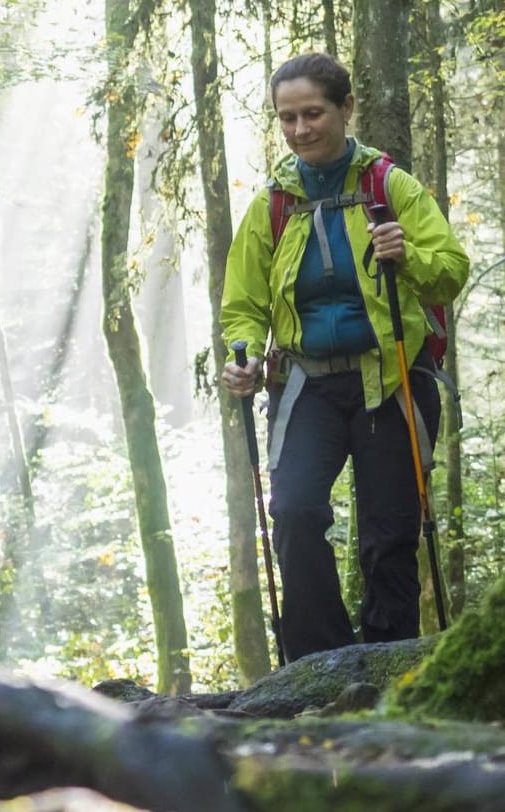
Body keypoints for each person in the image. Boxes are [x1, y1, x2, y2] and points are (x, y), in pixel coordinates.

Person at [220, 52, 469, 662]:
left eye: (313, 113)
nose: (300, 129)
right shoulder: (272, 205)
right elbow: (243, 304)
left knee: (389, 535)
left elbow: (449, 274)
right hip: (306, 383)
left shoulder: (390, 186)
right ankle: (320, 667)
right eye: (287, 117)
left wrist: (406, 254)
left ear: (345, 108)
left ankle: (387, 667)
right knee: (297, 514)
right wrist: (242, 356)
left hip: (391, 378)